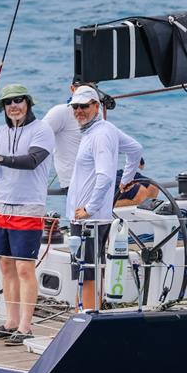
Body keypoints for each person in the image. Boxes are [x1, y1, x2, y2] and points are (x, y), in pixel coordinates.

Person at [0, 84, 55, 346]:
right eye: (8, 102)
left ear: (28, 103)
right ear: (3, 108)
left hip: (28, 207)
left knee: (23, 268)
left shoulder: (41, 129)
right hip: (1, 207)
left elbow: (31, 161)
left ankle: (26, 326)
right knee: (5, 266)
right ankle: (10, 322)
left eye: (18, 100)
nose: (13, 106)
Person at [65, 85, 143, 310]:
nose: (79, 111)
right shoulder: (104, 128)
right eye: (75, 107)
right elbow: (136, 149)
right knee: (91, 269)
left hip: (90, 219)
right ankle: (92, 313)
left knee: (87, 271)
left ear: (96, 106)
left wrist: (89, 208)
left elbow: (105, 176)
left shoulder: (99, 134)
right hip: (92, 217)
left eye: (84, 106)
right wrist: (126, 179)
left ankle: (88, 316)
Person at [43, 80, 82, 192]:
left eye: (90, 88)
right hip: (75, 182)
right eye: (81, 87)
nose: (86, 92)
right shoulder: (60, 112)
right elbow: (38, 138)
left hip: (97, 176)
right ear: (73, 89)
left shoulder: (96, 111)